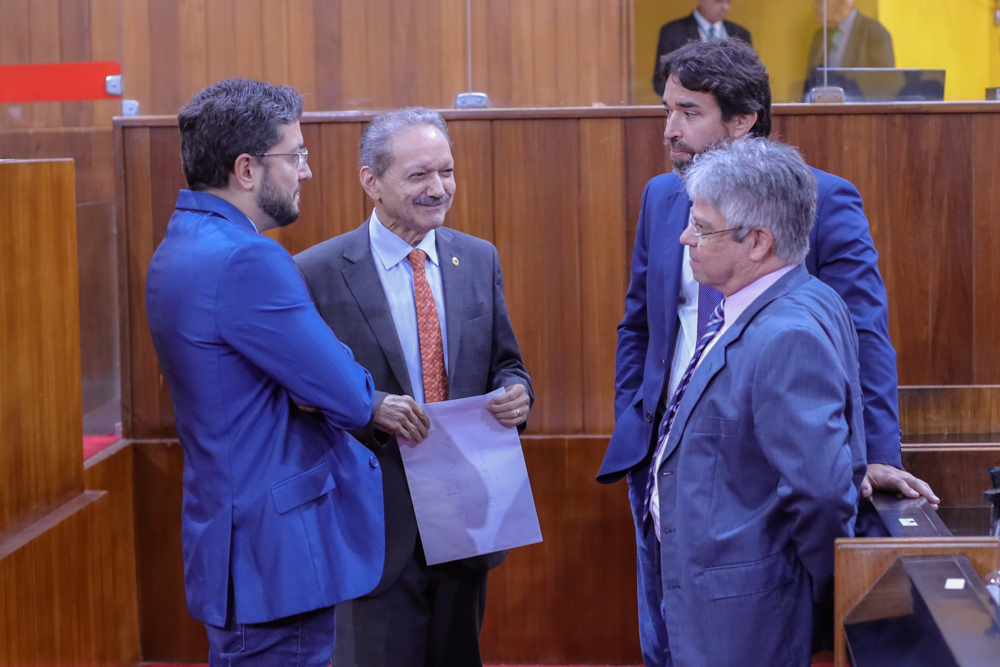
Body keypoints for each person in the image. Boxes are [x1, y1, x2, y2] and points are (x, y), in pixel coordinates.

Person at [597, 38, 939, 664]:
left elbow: (861, 336)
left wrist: (868, 459)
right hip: (665, 464)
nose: (669, 129)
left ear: (742, 120)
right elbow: (639, 325)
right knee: (669, 640)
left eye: (689, 112)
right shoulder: (661, 197)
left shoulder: (820, 199)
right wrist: (639, 424)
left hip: (754, 478)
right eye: (667, 109)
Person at [145, 78, 385, 667]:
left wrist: (301, 381)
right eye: (295, 155)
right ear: (247, 169)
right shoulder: (247, 258)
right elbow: (350, 395)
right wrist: (314, 380)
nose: (306, 170)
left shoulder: (181, 241)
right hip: (275, 552)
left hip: (235, 536)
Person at [295, 107, 533, 667]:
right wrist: (372, 406)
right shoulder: (316, 272)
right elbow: (301, 393)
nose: (439, 188)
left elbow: (506, 364)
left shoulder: (478, 258)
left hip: (466, 520)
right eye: (419, 175)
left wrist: (517, 394)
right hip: (375, 527)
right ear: (371, 181)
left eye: (446, 171)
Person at [652, 136, 864, 667]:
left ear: (758, 242)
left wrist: (824, 590)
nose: (684, 237)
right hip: (717, 593)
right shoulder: (800, 296)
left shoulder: (786, 334)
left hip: (744, 614)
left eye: (701, 227)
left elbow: (820, 493)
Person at [653, 1, 751, 96]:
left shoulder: (741, 33)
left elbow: (748, 78)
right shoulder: (674, 32)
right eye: (718, 1)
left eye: (728, 1)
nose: (725, 7)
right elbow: (661, 81)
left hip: (730, 103)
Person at [804, 0, 895, 96]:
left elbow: (885, 85)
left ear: (842, 2)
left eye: (820, 1)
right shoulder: (819, 36)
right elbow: (810, 82)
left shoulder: (875, 33)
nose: (814, 7)